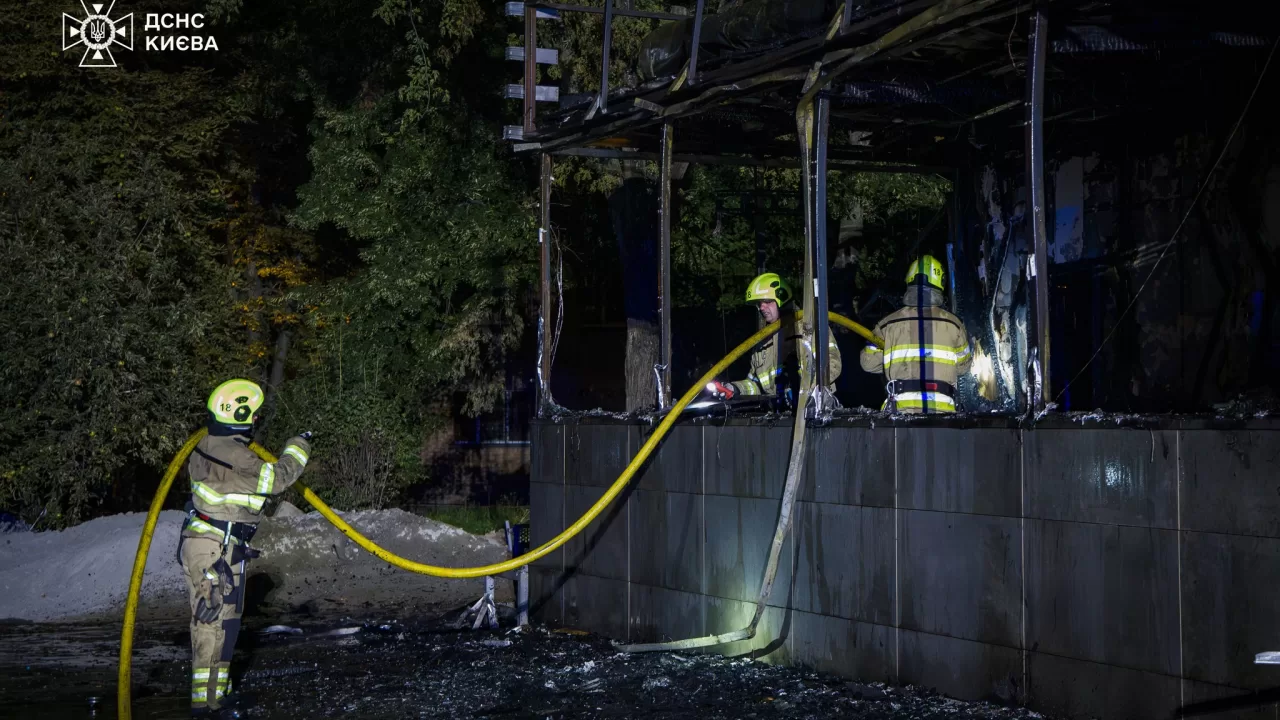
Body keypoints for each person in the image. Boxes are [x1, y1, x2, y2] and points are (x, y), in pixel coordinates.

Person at [180, 379, 312, 718]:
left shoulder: (209, 443)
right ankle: (207, 705)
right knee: (215, 625)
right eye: (251, 415)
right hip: (217, 551)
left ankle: (214, 697)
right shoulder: (238, 456)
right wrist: (299, 445)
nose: (255, 420)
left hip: (212, 546)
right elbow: (278, 478)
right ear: (237, 416)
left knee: (218, 623)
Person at [705, 272, 842, 406]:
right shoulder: (761, 342)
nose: (761, 307)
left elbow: (832, 363)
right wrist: (734, 388)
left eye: (767, 302)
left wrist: (807, 391)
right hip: (780, 414)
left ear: (782, 301)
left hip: (815, 410)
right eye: (759, 303)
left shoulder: (809, 327)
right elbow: (756, 384)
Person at [859, 255, 972, 413]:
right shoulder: (954, 324)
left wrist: (894, 362)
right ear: (940, 283)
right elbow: (963, 367)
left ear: (909, 281)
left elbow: (868, 363)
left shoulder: (887, 324)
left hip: (901, 412)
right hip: (943, 413)